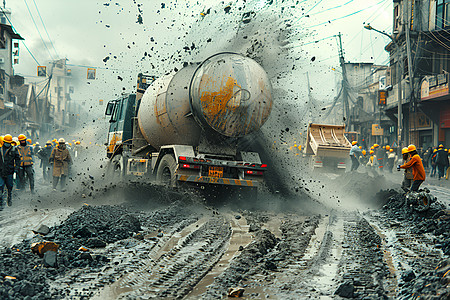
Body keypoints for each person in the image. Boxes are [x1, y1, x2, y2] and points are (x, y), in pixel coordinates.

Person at [0, 135, 21, 209]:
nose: (8, 144)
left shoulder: (14, 150)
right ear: (4, 142)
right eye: (7, 143)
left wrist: (16, 168)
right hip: (1, 172)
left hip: (10, 171)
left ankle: (9, 198)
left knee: (10, 186)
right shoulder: (0, 150)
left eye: (9, 143)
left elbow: (18, 159)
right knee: (0, 186)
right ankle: (1, 203)